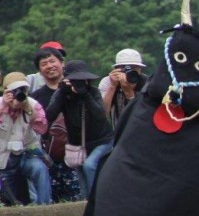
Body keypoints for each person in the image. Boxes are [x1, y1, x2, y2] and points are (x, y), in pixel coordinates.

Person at [44, 60, 114, 199]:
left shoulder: (93, 92)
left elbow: (100, 115)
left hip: (102, 141)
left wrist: (85, 94)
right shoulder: (63, 94)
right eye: (75, 80)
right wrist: (61, 93)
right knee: (80, 171)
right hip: (78, 144)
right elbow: (49, 115)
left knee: (89, 165)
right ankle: (85, 204)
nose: (78, 83)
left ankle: (96, 200)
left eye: (81, 80)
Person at [25, 45, 79, 202]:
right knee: (53, 200)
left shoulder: (78, 88)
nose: (49, 66)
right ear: (39, 71)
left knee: (79, 199)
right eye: (44, 64)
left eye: (52, 61)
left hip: (77, 151)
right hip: (50, 156)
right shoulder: (35, 98)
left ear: (62, 64)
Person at [0, 72, 52, 205]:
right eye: (15, 90)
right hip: (4, 158)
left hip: (26, 154)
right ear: (6, 91)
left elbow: (42, 129)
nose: (19, 94)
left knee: (40, 169)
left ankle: (45, 207)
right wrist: (4, 106)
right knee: (10, 198)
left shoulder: (33, 105)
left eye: (22, 90)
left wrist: (29, 111)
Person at [98, 48, 149, 127]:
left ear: (140, 69)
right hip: (117, 131)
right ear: (116, 69)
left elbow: (143, 114)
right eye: (124, 68)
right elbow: (102, 114)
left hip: (141, 130)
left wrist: (129, 93)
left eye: (134, 68)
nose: (129, 73)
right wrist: (112, 86)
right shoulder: (108, 82)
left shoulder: (147, 83)